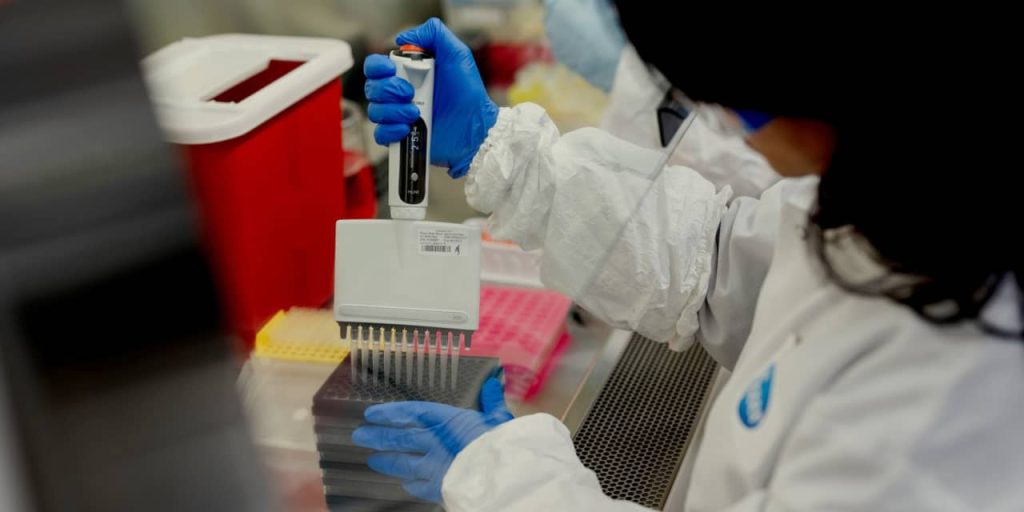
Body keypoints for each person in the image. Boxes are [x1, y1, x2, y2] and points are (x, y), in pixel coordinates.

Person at [353, 13, 1022, 512]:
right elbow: (724, 259)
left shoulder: (944, 404)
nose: (726, 123)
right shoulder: (913, 199)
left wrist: (501, 480)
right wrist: (496, 150)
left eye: (735, 100)